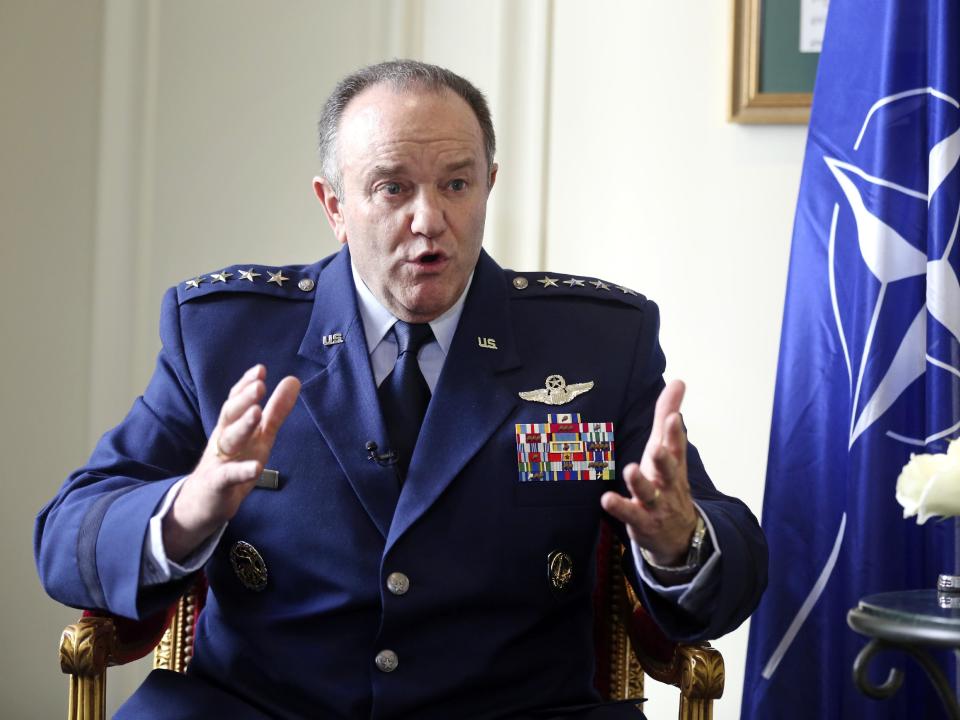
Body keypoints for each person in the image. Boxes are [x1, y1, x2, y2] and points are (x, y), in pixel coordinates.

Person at [35, 60, 767, 719]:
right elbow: (68, 536)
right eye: (393, 188)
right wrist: (184, 515)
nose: (430, 219)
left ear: (489, 185)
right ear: (334, 206)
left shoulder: (598, 342)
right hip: (260, 707)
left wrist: (679, 545)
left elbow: (735, 561)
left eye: (457, 182)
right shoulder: (226, 335)